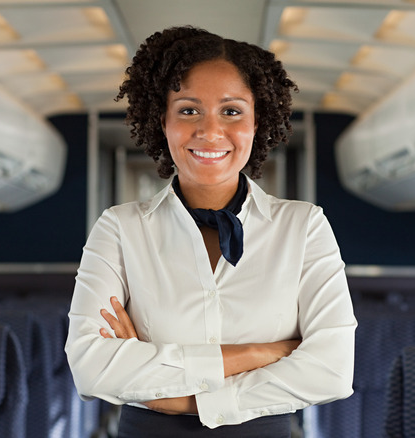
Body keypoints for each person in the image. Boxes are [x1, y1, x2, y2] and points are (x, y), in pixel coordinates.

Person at [65, 26, 357, 437]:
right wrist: (261, 353)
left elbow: (331, 370)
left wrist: (182, 397)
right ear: (161, 120)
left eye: (232, 111)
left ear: (258, 122)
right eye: (188, 110)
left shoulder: (304, 226)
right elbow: (92, 368)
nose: (210, 131)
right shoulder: (119, 228)